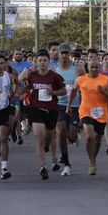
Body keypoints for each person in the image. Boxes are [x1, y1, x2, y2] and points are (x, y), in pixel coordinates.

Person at [18, 50, 67, 180]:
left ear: (48, 62)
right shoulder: (32, 76)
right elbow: (25, 87)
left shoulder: (54, 76)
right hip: (36, 109)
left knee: (49, 136)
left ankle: (47, 147)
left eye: (44, 60)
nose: (42, 63)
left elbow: (64, 91)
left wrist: (54, 92)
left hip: (51, 109)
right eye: (40, 60)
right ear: (36, 62)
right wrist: (21, 86)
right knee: (39, 136)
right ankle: (42, 167)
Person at [69, 53, 108, 175]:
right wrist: (69, 106)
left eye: (96, 67)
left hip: (101, 113)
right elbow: (73, 92)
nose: (94, 69)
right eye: (92, 67)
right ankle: (92, 162)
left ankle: (93, 159)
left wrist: (104, 92)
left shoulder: (105, 80)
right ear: (87, 67)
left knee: (98, 140)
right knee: (90, 136)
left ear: (99, 68)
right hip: (86, 111)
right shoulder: (81, 79)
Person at [54, 44, 82, 177]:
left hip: (75, 105)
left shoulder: (77, 69)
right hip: (60, 105)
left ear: (70, 54)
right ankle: (66, 164)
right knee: (60, 132)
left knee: (71, 136)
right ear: (59, 54)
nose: (64, 55)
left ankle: (75, 136)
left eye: (66, 53)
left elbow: (83, 86)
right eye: (62, 53)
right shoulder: (55, 70)